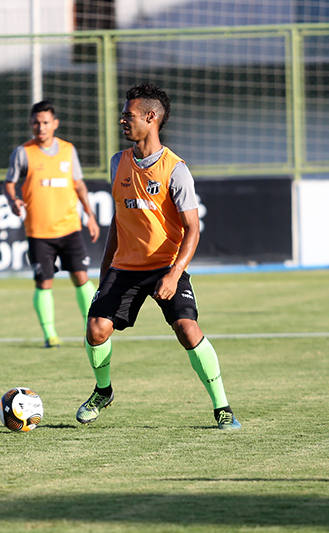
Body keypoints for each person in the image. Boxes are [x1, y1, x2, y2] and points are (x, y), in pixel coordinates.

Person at [76, 84, 241, 430]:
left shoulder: (175, 169)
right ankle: (103, 392)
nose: (122, 119)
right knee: (96, 330)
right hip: (125, 268)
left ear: (151, 118)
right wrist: (105, 272)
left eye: (129, 115)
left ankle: (222, 407)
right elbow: (118, 224)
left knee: (187, 329)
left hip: (166, 266)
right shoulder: (117, 163)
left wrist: (173, 274)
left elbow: (193, 229)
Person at [4, 100, 100, 348]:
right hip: (38, 231)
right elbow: (9, 184)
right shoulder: (23, 152)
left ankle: (91, 328)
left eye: (45, 122)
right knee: (44, 282)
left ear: (55, 124)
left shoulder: (68, 150)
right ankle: (50, 335)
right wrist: (13, 201)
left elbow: (78, 184)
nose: (41, 127)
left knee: (81, 276)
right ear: (31, 124)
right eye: (36, 122)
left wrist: (89, 215)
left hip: (69, 228)